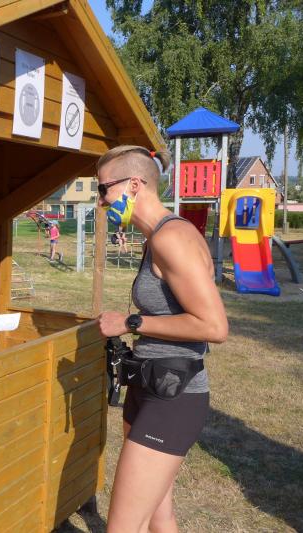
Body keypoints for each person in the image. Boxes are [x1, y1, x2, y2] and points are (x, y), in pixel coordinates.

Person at [95, 146, 228, 532]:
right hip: (150, 384)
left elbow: (214, 326)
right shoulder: (154, 238)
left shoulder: (172, 237)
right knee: (158, 515)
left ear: (134, 185)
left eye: (103, 189)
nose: (101, 201)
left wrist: (131, 322)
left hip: (173, 395)